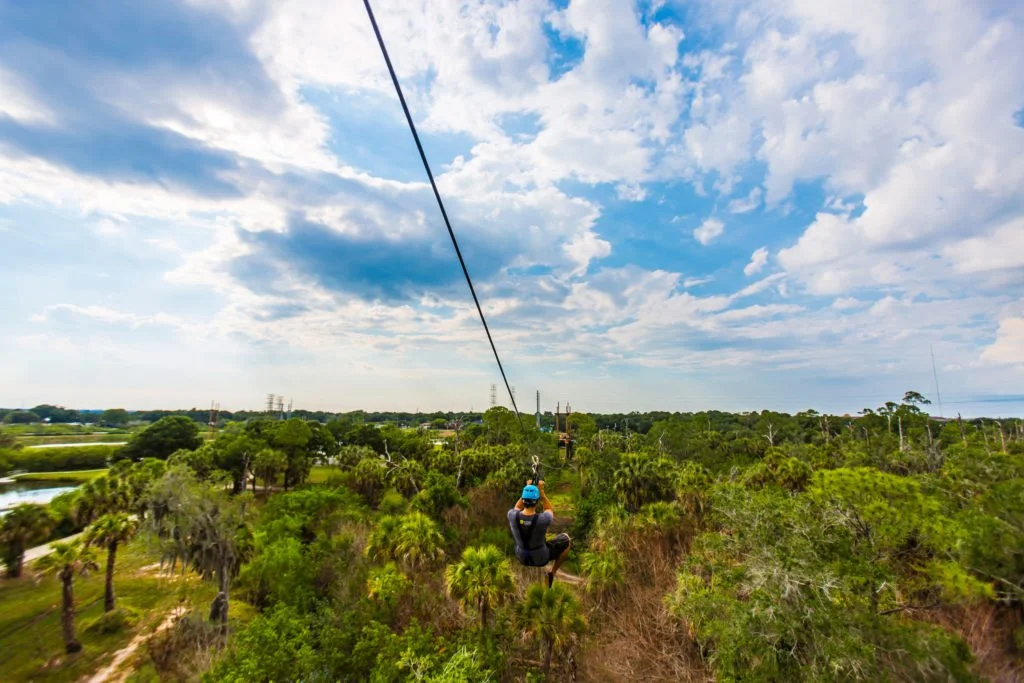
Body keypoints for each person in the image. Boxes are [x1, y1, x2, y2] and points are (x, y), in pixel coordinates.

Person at [507, 479, 572, 588]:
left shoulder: (512, 515)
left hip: (521, 557)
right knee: (567, 539)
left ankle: (527, 495)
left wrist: (527, 489)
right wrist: (541, 493)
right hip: (541, 557)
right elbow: (549, 509)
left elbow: (517, 507)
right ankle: (553, 572)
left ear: (523, 500)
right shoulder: (543, 519)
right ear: (537, 502)